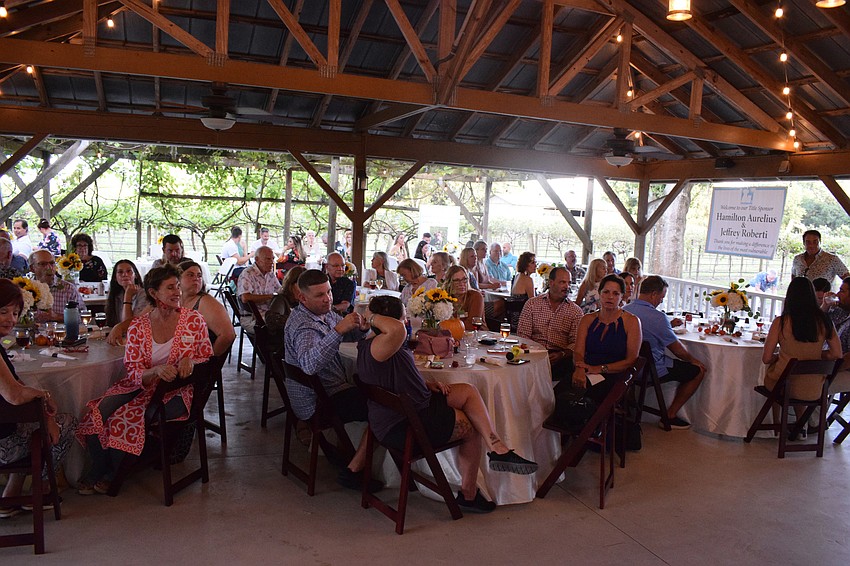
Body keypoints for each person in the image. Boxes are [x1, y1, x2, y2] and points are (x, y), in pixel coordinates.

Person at [359, 295, 538, 513]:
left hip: (404, 409)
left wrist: (425, 383)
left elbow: (389, 376)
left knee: (468, 391)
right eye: (403, 318)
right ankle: (469, 494)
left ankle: (497, 447)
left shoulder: (374, 345)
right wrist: (371, 315)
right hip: (403, 424)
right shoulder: (381, 345)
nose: (405, 323)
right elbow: (397, 331)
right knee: (471, 427)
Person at [75, 265, 214, 495]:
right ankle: (100, 467)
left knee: (122, 418)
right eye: (170, 287)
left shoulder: (193, 320)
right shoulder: (139, 326)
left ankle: (114, 473)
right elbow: (132, 368)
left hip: (175, 391)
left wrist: (191, 360)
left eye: (178, 286)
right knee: (96, 412)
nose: (177, 292)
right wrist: (154, 372)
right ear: (153, 293)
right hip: (141, 384)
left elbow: (206, 356)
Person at [283, 269, 380, 492]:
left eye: (328, 292)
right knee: (385, 406)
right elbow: (308, 365)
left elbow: (348, 334)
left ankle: (350, 455)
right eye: (319, 295)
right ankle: (354, 470)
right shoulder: (304, 326)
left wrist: (360, 328)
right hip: (318, 402)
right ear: (302, 298)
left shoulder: (322, 313)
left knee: (376, 392)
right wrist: (338, 331)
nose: (327, 298)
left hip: (326, 391)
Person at [0, 279, 76, 518]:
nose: (10, 319)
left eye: (15, 312)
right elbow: (14, 394)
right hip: (3, 447)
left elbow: (14, 384)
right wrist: (45, 398)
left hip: (6, 430)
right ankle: (41, 489)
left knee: (29, 426)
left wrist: (41, 407)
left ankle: (10, 497)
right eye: (3, 311)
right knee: (66, 424)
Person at [624, 276, 706, 429]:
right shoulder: (658, 317)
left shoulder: (624, 310)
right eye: (661, 297)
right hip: (649, 369)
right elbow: (678, 350)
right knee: (698, 370)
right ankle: (670, 414)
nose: (661, 301)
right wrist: (693, 360)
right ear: (653, 294)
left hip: (626, 367)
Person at [762, 277, 841, 428]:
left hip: (784, 386)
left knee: (779, 372)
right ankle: (800, 426)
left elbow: (766, 358)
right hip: (814, 388)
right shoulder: (824, 321)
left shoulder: (782, 322)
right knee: (798, 375)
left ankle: (776, 425)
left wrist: (780, 356)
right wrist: (817, 355)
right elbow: (836, 354)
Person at [571, 274, 642, 403]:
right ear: (599, 293)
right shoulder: (587, 319)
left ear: (621, 297)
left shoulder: (631, 321)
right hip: (586, 370)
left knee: (586, 399)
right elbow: (578, 352)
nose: (610, 297)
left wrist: (600, 368)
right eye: (606, 292)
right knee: (560, 395)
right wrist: (579, 368)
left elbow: (631, 360)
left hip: (615, 376)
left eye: (615, 293)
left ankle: (588, 420)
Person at [518, 267, 583, 382]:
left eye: (569, 283)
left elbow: (576, 343)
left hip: (560, 358)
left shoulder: (575, 311)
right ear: (551, 283)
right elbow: (523, 335)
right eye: (562, 282)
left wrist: (562, 354)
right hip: (533, 353)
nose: (567, 286)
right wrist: (534, 353)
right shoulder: (532, 304)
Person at [179, 260, 236, 357]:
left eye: (199, 276)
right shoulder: (174, 301)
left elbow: (228, 335)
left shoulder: (206, 302)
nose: (196, 279)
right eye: (190, 275)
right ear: (178, 279)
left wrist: (209, 358)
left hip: (198, 361)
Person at [29, 249, 86, 323]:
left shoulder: (68, 289)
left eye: (52, 263)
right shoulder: (25, 290)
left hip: (61, 333)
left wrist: (56, 316)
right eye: (43, 264)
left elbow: (83, 317)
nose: (49, 268)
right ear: (32, 268)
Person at [237, 246, 281, 332]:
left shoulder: (270, 274)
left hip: (269, 315)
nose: (271, 262)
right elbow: (245, 298)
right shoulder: (247, 274)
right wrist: (270, 297)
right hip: (252, 318)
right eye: (268, 259)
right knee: (281, 328)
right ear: (257, 259)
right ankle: (270, 345)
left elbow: (280, 290)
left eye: (272, 259)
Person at [105, 259, 146, 328]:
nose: (125, 275)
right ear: (115, 277)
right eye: (120, 272)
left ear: (135, 275)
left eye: (129, 271)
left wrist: (128, 296)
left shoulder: (143, 295)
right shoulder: (116, 294)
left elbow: (128, 326)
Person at [265, 265, 306, 333]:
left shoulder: (306, 300)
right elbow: (272, 319)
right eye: (301, 285)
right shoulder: (280, 299)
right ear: (291, 285)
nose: (304, 289)